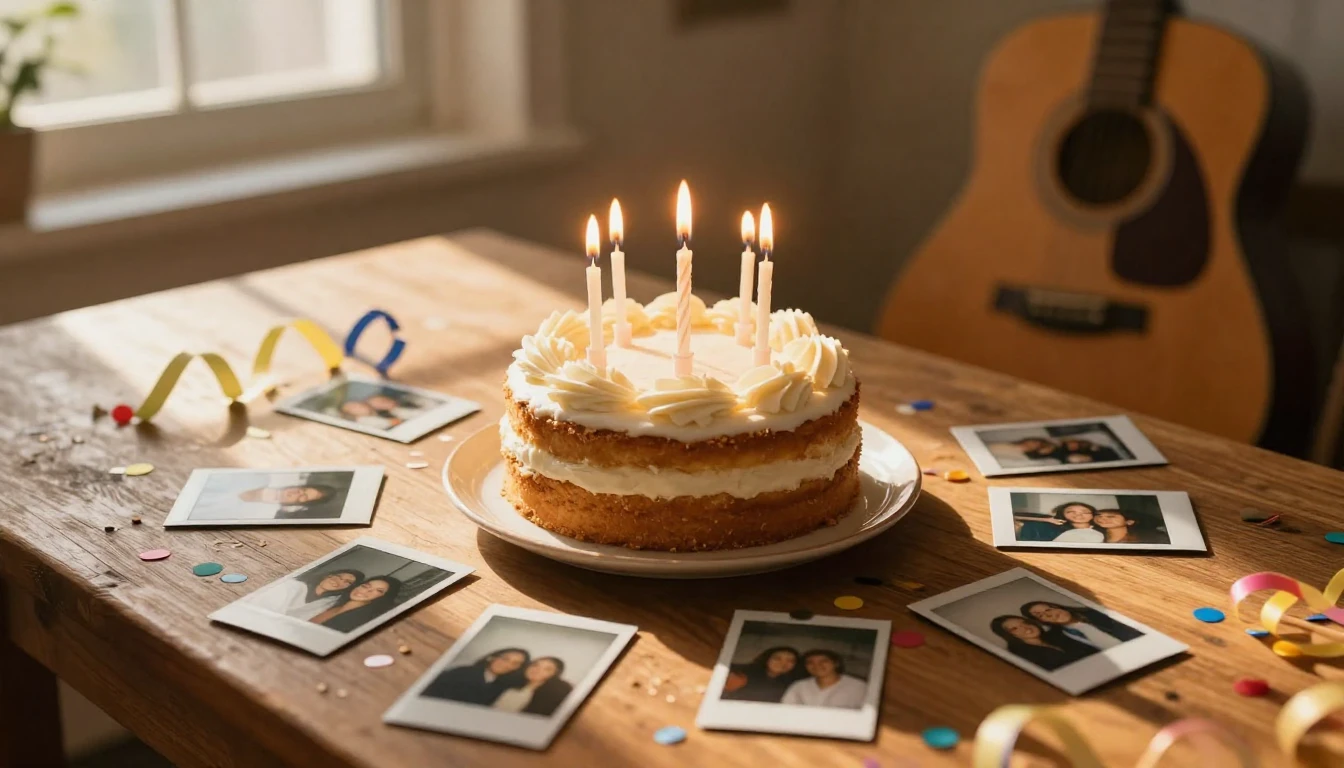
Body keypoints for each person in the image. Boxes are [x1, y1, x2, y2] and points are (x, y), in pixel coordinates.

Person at [188, 476, 341, 521]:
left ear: (301, 505)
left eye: (303, 497)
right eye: (302, 490)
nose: (296, 494)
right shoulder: (260, 477)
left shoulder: (261, 515)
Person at [421, 648, 531, 706]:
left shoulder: (500, 686)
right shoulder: (461, 673)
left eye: (515, 663)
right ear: (491, 657)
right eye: (505, 659)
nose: (507, 665)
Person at [247, 567, 363, 620]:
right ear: (328, 575)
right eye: (338, 576)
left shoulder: (329, 603)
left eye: (347, 582)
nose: (339, 581)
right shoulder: (292, 585)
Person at [989, 615, 1098, 671]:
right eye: (1014, 629)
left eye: (1025, 623)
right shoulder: (1021, 657)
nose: (1025, 627)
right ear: (1009, 635)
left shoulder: (1056, 636)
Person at [1021, 601, 1143, 648]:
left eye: (1049, 609)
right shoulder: (1062, 638)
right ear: (1041, 621)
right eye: (1040, 615)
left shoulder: (1096, 613)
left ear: (1058, 606)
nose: (1049, 614)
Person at [310, 576, 401, 632]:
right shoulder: (332, 603)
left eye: (379, 591)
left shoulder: (361, 619)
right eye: (365, 586)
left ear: (384, 597)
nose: (367, 590)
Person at [780, 650, 867, 709]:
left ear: (836, 664)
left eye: (824, 661)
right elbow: (786, 710)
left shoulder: (859, 687)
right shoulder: (799, 686)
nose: (816, 665)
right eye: (810, 662)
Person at [494, 657, 573, 716]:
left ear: (554, 675)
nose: (537, 670)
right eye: (535, 665)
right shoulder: (510, 688)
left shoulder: (550, 698)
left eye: (547, 669)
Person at [722, 647, 804, 703]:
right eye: (777, 658)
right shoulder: (742, 674)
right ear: (767, 659)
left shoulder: (794, 683)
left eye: (790, 661)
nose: (783, 664)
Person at [1015, 502, 1104, 543]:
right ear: (1063, 514)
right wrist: (1046, 519)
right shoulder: (1053, 527)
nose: (1078, 515)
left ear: (1093, 515)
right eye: (1070, 511)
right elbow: (1013, 517)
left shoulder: (1096, 534)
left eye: (1084, 512)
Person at [1093, 509, 1169, 545]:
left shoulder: (1152, 537)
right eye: (1098, 515)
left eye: (1111, 516)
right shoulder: (1094, 534)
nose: (1101, 519)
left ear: (1129, 522)